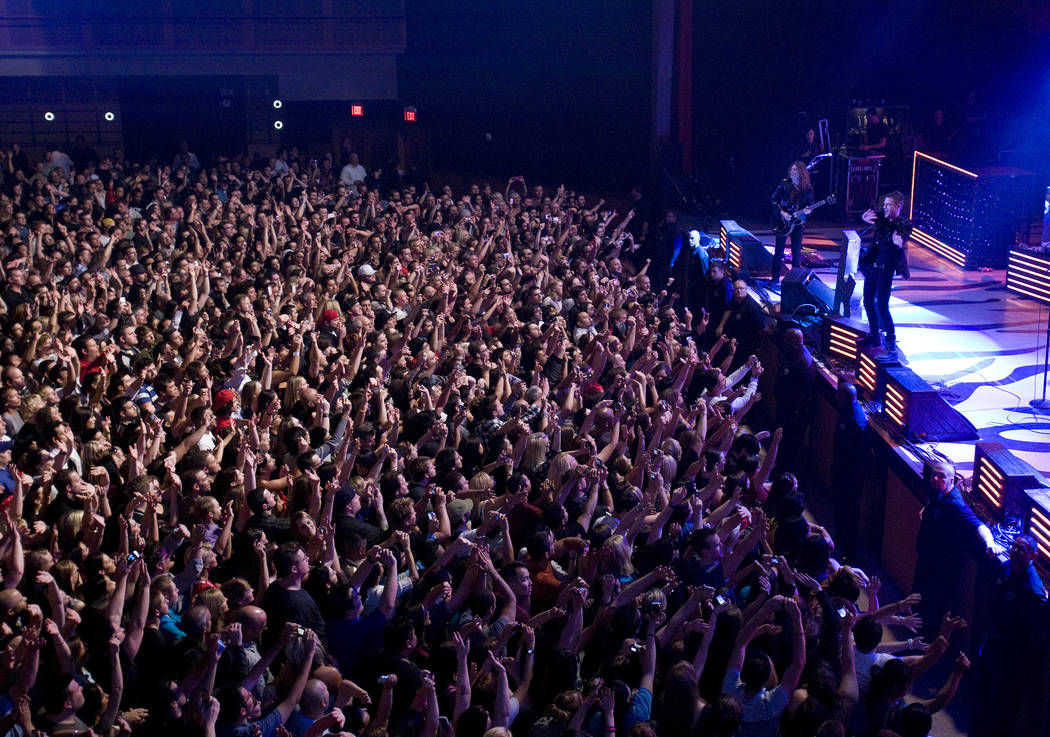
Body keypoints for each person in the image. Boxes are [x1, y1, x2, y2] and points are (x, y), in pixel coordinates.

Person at [913, 461, 1001, 639]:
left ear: (951, 481)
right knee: (920, 607)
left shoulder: (955, 505)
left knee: (932, 614)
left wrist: (990, 543)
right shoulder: (937, 494)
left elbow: (978, 525)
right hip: (927, 565)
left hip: (940, 574)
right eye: (934, 475)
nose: (935, 479)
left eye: (941, 477)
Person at [971, 533, 1048, 737]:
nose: (1015, 550)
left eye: (1022, 549)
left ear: (1033, 555)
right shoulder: (1006, 569)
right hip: (993, 640)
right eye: (1014, 546)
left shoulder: (1033, 589)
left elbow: (1036, 628)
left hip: (1012, 653)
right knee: (985, 687)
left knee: (1005, 699)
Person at [859, 191, 911, 360]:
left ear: (898, 206)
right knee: (867, 302)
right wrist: (865, 218)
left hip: (885, 269)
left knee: (881, 305)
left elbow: (898, 234)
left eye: (889, 205)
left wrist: (899, 244)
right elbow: (871, 217)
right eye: (884, 204)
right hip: (873, 266)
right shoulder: (882, 217)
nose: (885, 207)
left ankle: (890, 343)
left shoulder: (903, 224)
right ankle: (874, 335)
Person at [769, 161, 814, 289]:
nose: (792, 171)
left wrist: (807, 211)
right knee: (779, 251)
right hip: (782, 222)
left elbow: (809, 206)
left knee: (796, 251)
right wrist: (782, 213)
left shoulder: (808, 188)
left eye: (795, 170)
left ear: (801, 172)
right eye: (791, 169)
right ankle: (775, 278)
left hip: (798, 223)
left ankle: (795, 280)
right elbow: (773, 200)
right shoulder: (784, 184)